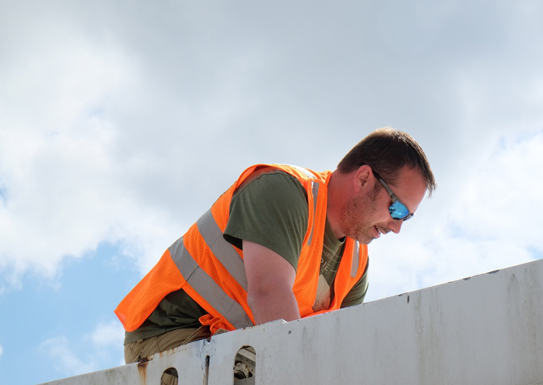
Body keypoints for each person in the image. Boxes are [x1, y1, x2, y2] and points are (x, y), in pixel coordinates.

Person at [115, 127, 436, 383]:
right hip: (168, 336)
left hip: (233, 341)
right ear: (364, 179)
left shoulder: (355, 263)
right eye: (397, 208)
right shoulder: (283, 191)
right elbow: (269, 296)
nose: (396, 227)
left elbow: (337, 343)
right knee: (266, 371)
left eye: (406, 217)